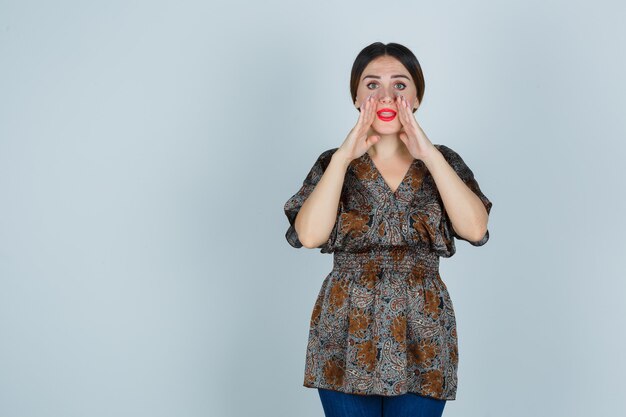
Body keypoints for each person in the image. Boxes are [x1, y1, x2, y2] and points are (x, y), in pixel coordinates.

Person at [283, 42, 493, 417]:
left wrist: (428, 153)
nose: (386, 96)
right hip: (346, 333)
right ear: (355, 97)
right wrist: (344, 156)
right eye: (371, 85)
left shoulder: (443, 161)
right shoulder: (334, 163)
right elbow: (310, 235)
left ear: (417, 97)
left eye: (399, 85)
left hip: (423, 332)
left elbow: (476, 229)